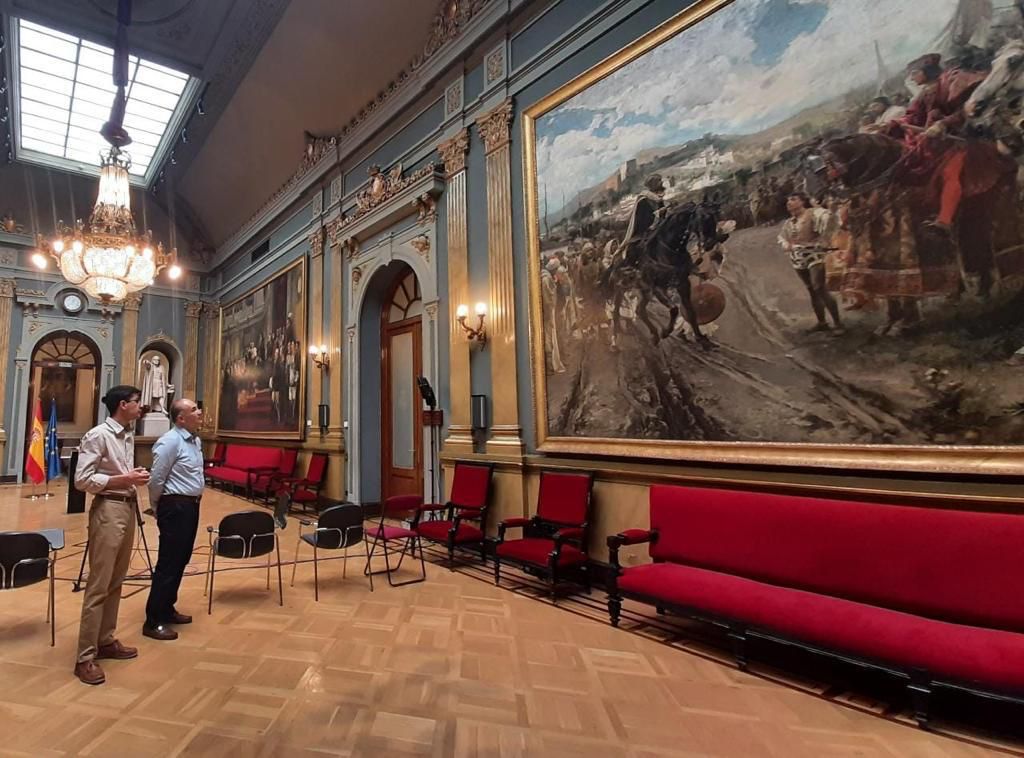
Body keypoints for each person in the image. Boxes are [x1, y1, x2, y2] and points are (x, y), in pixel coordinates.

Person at [73, 385, 150, 686]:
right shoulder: (98, 435)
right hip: (108, 509)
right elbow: (82, 480)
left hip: (127, 507)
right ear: (122, 405)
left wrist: (132, 477)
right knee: (99, 584)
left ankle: (105, 640)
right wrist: (124, 478)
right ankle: (84, 657)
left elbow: (119, 472)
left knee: (116, 580)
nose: (141, 406)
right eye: (136, 402)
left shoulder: (127, 434)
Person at [143, 398, 204, 642]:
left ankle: (167, 608)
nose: (199, 412)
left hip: (190, 506)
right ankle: (153, 620)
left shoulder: (195, 440)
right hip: (175, 506)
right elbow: (156, 479)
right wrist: (157, 506)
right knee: (168, 563)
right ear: (180, 418)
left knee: (181, 559)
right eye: (194, 410)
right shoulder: (169, 441)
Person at [778, 193, 842, 332]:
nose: (789, 202)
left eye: (793, 199)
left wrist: (825, 210)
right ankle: (822, 323)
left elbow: (830, 221)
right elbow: (782, 237)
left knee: (819, 287)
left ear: (802, 202)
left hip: (815, 255)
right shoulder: (789, 222)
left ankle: (838, 324)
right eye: (788, 200)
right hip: (798, 258)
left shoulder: (813, 213)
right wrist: (786, 245)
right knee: (811, 290)